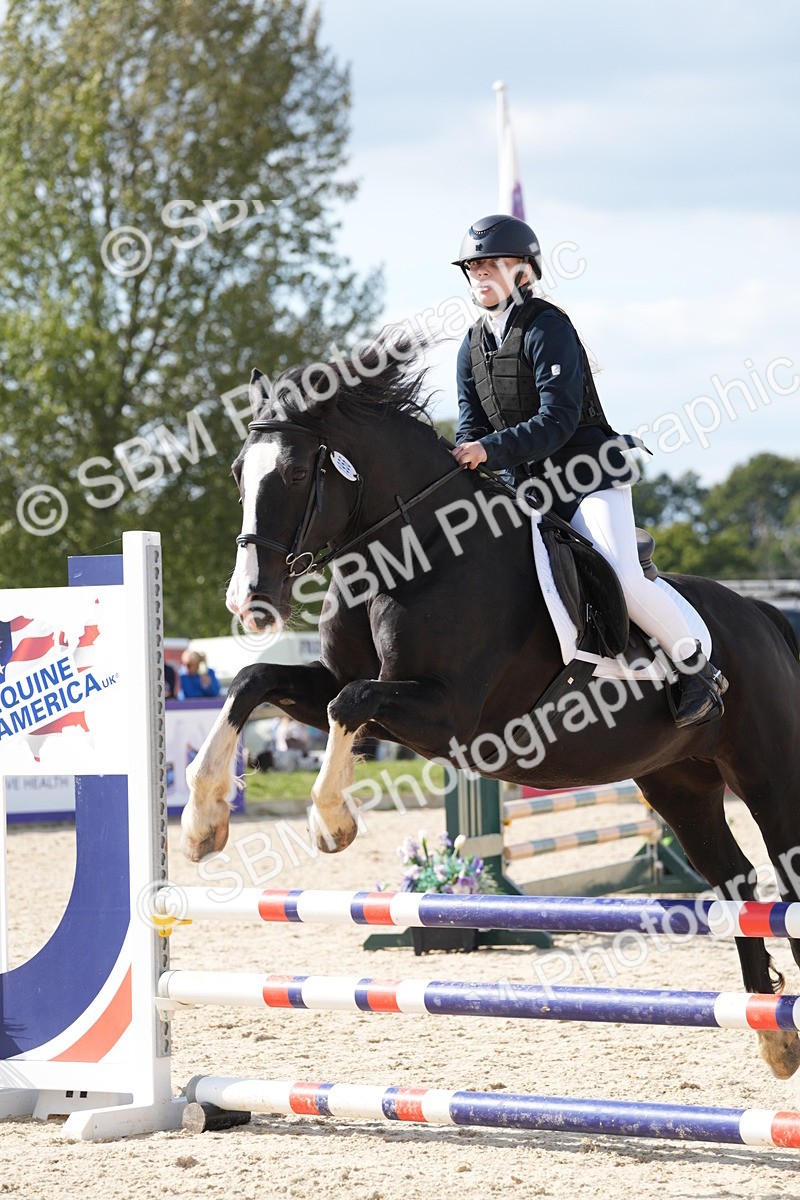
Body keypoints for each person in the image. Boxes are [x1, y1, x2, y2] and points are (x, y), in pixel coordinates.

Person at [451, 213, 728, 728]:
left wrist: (487, 450)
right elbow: (470, 427)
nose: (481, 273)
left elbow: (557, 421)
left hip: (586, 477)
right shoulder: (471, 346)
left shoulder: (548, 327)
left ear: (524, 273)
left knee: (619, 574)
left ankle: (698, 669)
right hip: (528, 489)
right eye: (474, 266)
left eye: (492, 263)